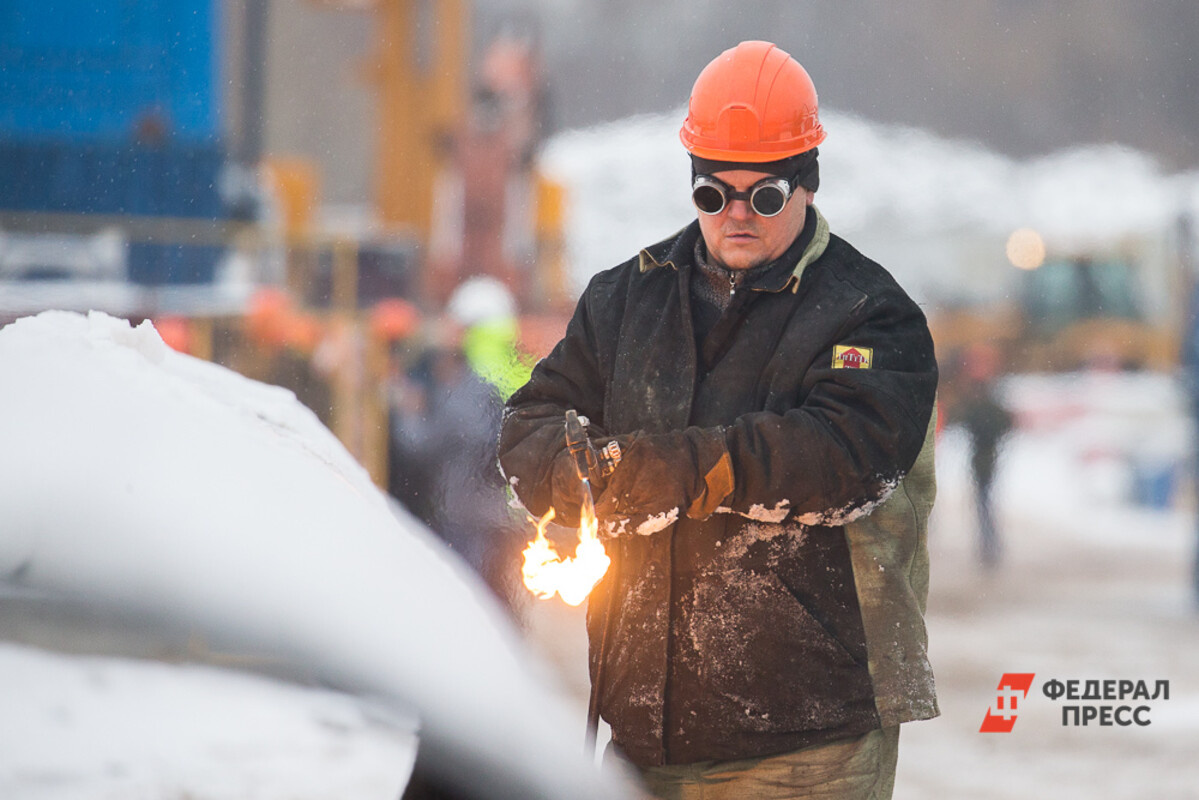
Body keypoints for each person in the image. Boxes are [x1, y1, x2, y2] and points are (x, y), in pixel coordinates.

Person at [498, 41, 938, 799]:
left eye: (762, 196)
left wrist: (664, 474)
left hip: (805, 737)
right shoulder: (624, 301)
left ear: (804, 187)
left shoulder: (869, 314)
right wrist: (575, 477)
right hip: (643, 732)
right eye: (713, 194)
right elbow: (532, 418)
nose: (736, 214)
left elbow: (839, 458)